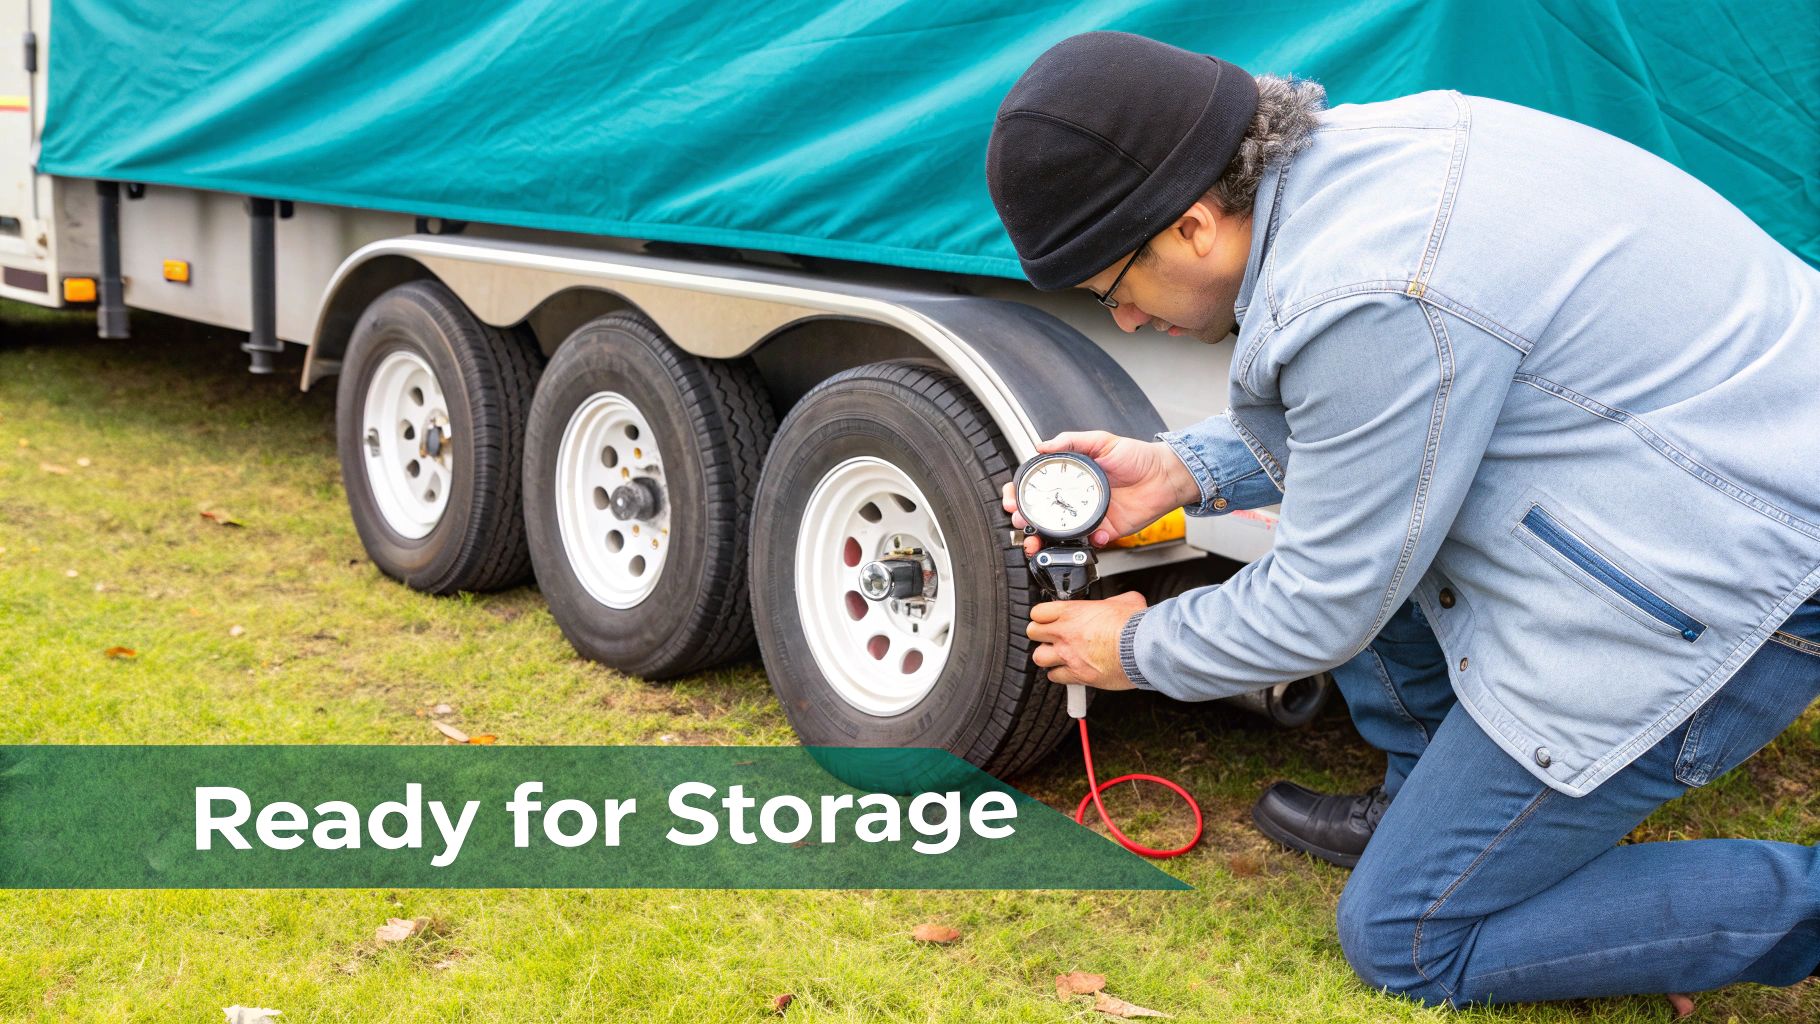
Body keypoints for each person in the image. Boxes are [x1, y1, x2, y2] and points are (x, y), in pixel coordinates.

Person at [986, 31, 1820, 1008]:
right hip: (1710, 468)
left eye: (1114, 289)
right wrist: (1177, 471)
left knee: (1406, 937)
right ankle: (1433, 808)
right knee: (1362, 534)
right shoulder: (1368, 160)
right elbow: (1376, 423)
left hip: (1750, 568)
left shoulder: (1374, 289)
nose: (1124, 320)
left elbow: (1319, 605)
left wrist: (1131, 647)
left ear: (1193, 225)